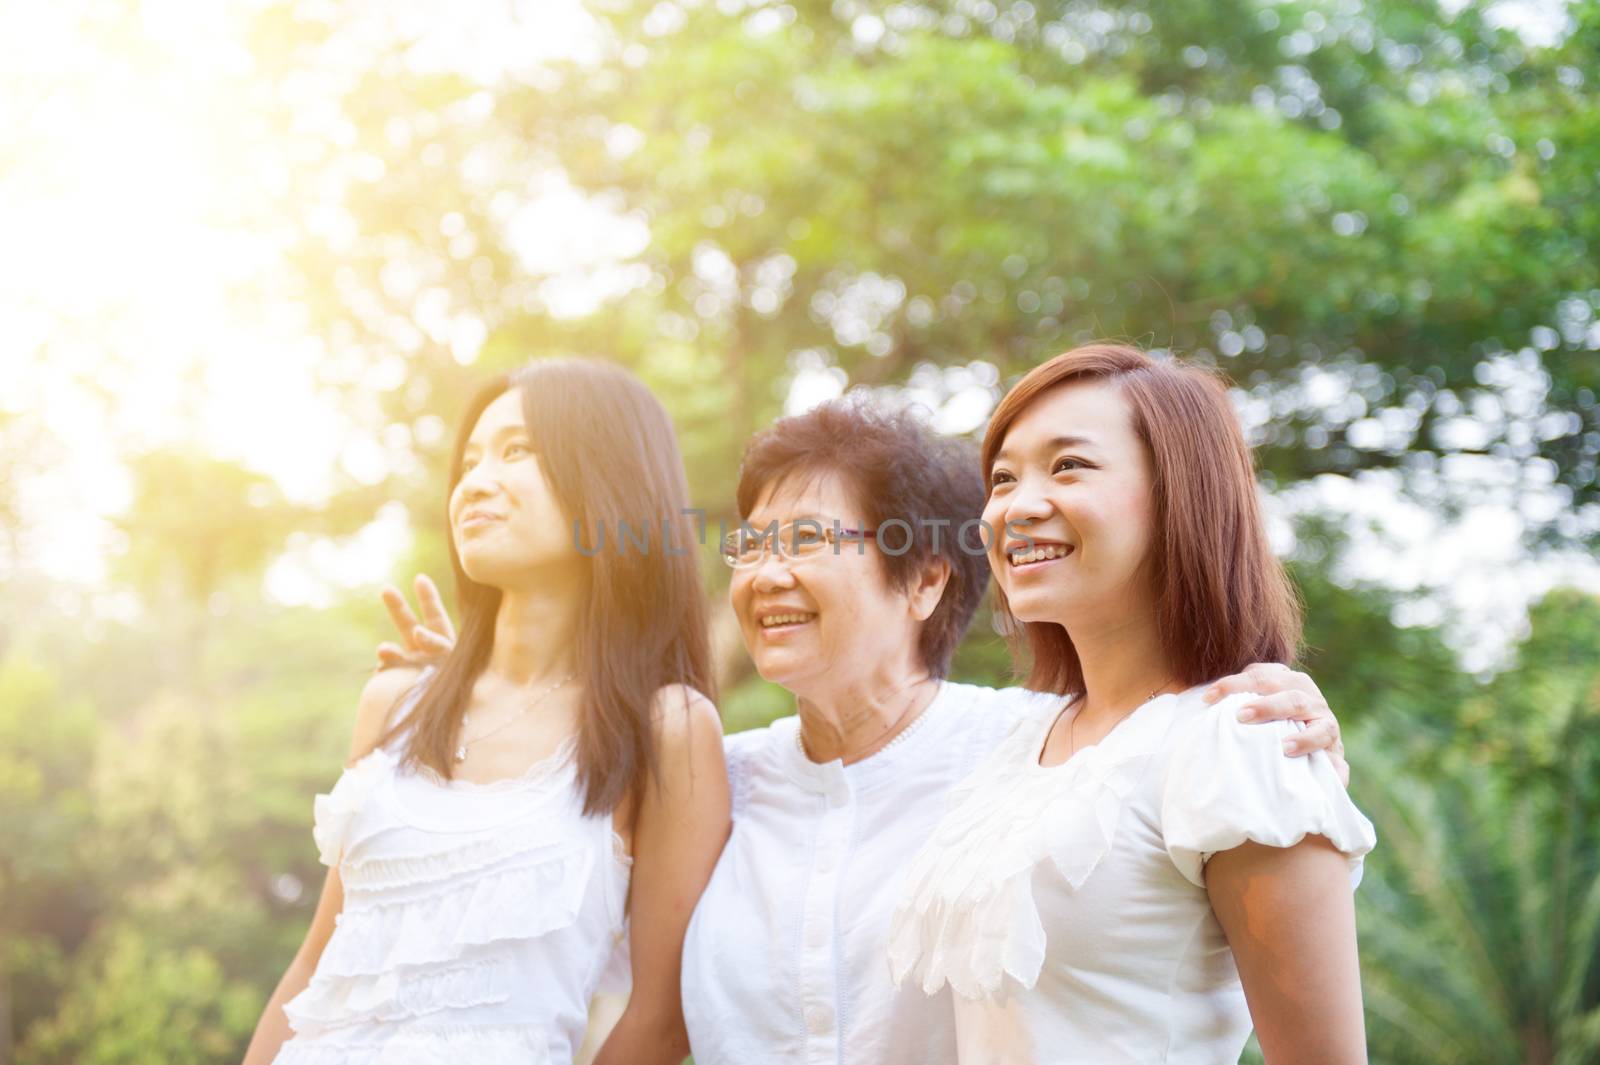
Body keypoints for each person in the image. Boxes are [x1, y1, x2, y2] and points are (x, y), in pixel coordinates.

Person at [384, 397, 1353, 1065]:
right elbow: (515, 894)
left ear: (925, 579)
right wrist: (482, 700)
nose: (764, 575)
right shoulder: (705, 781)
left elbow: (1172, 763)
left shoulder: (1040, 760)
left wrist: (1277, 702)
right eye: (751, 546)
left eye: (805, 542)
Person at [888, 343, 1374, 1063]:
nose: (1018, 507)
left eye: (1069, 465)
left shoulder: (1242, 742)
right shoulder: (1019, 746)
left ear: (1182, 491)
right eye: (1001, 478)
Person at [243, 360, 729, 1065]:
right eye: (470, 460)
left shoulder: (667, 730)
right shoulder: (395, 702)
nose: (475, 481)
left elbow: (663, 1019)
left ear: (611, 481)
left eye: (518, 452)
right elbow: (315, 966)